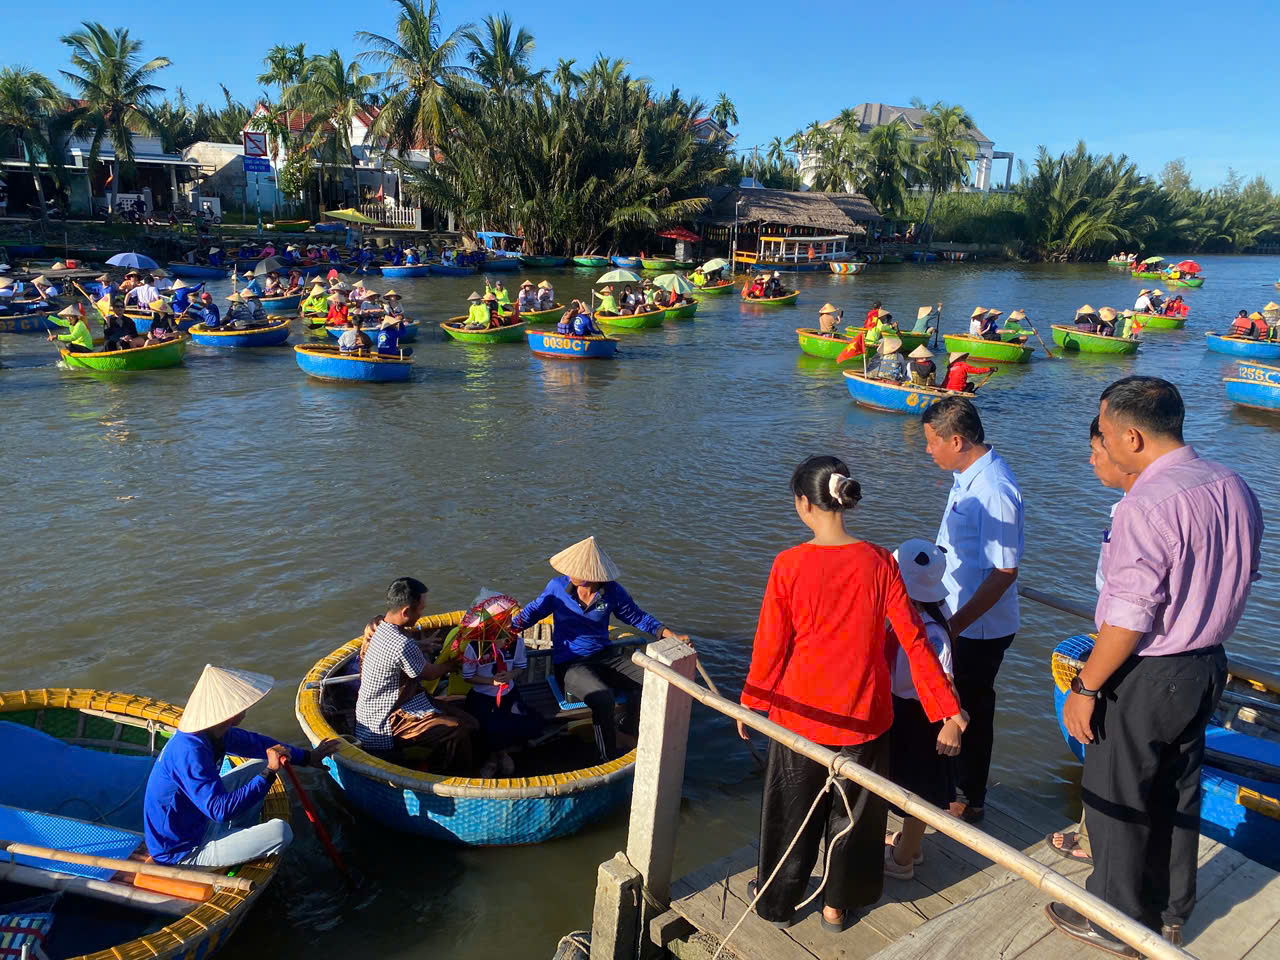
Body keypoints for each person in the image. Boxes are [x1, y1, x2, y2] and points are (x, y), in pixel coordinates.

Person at [1048, 377, 1263, 954]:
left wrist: (1087, 686)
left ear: (1133, 436)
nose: (1106, 447)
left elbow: (1129, 617)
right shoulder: (1233, 484)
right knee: (1178, 788)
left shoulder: (1144, 503)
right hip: (1208, 663)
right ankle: (1171, 909)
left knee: (1117, 795)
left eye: (1109, 434)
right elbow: (1244, 574)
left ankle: (1116, 919)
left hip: (1147, 671)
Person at [739, 456, 963, 931]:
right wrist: (946, 708)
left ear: (804, 503)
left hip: (799, 713)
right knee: (855, 817)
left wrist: (752, 703)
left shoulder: (789, 565)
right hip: (863, 717)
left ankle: (777, 900)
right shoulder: (881, 561)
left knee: (791, 810)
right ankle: (837, 905)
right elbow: (914, 641)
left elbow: (770, 646)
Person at [922, 397, 1024, 825]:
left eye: (932, 443)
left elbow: (1004, 571)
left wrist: (957, 625)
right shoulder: (965, 476)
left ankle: (968, 796)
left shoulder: (995, 489)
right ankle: (944, 785)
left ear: (957, 440)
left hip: (977, 627)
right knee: (944, 702)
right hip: (953, 615)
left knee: (970, 711)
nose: (928, 450)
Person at [1047, 416, 1139, 867]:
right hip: (1147, 650)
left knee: (1110, 759)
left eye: (1098, 452)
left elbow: (1132, 608)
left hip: (1130, 654)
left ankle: (1106, 872)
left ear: (1129, 446)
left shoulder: (1139, 512)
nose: (1091, 461)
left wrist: (1085, 687)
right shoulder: (1211, 490)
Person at [142, 664, 339, 868]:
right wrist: (269, 773)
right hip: (182, 849)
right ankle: (228, 838)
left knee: (261, 759)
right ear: (229, 713)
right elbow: (219, 811)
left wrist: (306, 757)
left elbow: (258, 744)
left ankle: (234, 831)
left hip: (198, 818)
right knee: (281, 832)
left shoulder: (212, 733)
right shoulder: (190, 752)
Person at [510, 537, 687, 760]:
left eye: (579, 571)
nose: (572, 574)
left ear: (595, 574)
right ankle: (607, 755)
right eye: (571, 570)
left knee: (654, 682)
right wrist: (506, 628)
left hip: (605, 656)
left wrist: (668, 634)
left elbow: (637, 617)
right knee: (603, 698)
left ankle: (626, 732)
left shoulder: (612, 592)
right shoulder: (557, 587)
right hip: (570, 663)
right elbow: (531, 613)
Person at [884, 538, 966, 879]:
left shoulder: (932, 632)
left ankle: (904, 858)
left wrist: (951, 720)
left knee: (920, 791)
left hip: (921, 716)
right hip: (896, 708)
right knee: (899, 780)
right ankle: (909, 845)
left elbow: (943, 679)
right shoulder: (912, 617)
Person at [356, 577, 478, 769]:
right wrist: (451, 664)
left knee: (469, 717)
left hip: (370, 712)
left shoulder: (380, 627)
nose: (422, 614)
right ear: (406, 611)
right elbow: (429, 674)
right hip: (385, 720)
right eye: (421, 609)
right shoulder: (402, 644)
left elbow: (397, 652)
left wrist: (420, 645)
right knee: (461, 727)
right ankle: (452, 771)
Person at [457, 594, 545, 778]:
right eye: (504, 621)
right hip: (482, 697)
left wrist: (510, 675)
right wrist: (491, 681)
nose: (509, 624)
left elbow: (520, 667)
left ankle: (499, 755)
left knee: (526, 722)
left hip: (509, 694)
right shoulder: (475, 646)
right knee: (489, 727)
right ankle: (497, 756)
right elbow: (468, 677)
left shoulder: (516, 642)